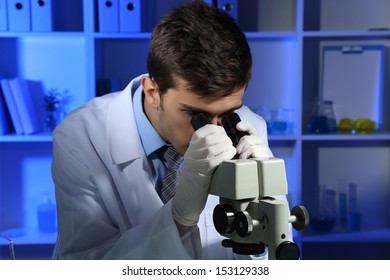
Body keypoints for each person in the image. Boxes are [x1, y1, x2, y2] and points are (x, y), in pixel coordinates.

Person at [52, 0, 283, 260]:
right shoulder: (80, 137)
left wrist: (266, 210)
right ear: (153, 92)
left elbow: (269, 262)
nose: (216, 131)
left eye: (227, 114)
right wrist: (179, 217)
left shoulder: (249, 128)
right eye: (197, 116)